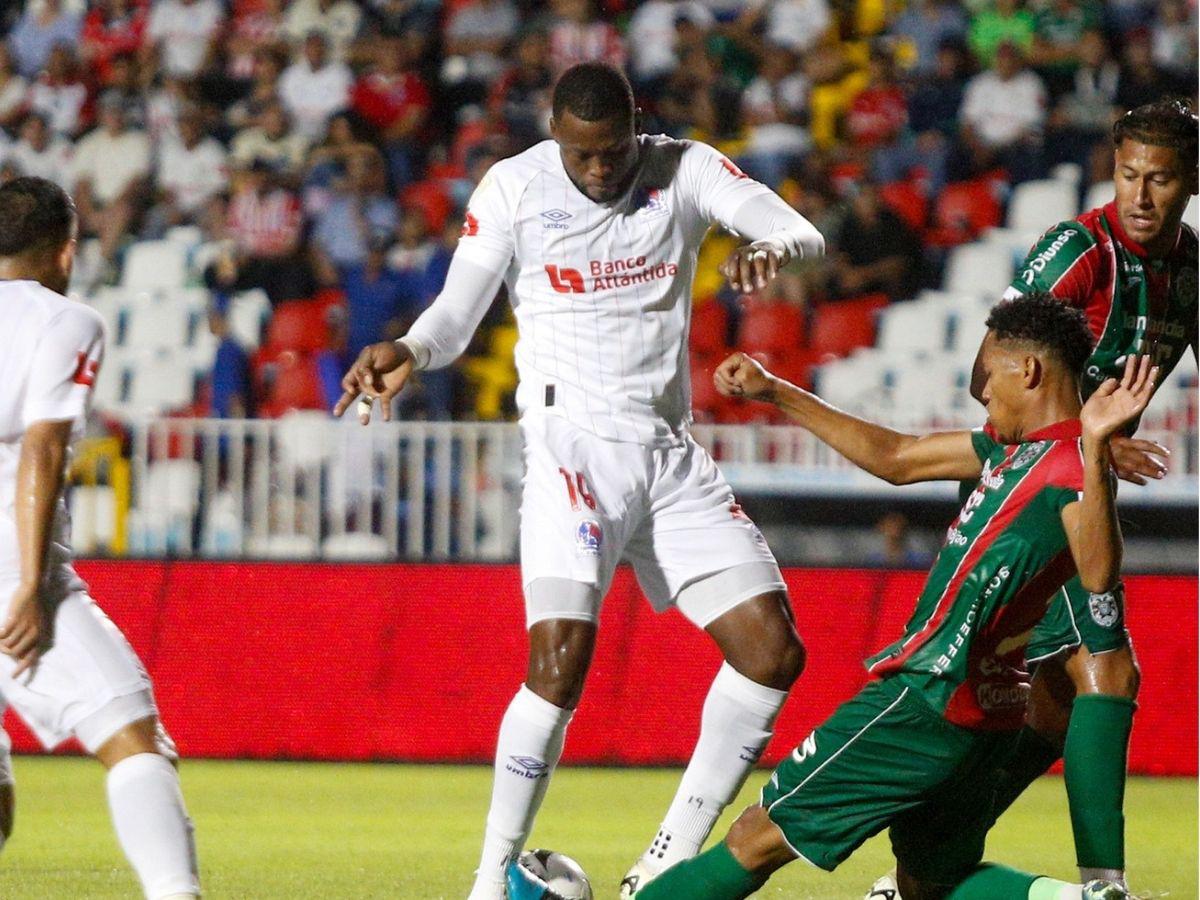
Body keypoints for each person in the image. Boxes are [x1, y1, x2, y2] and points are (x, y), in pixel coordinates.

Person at [332, 62, 825, 899]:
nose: (600, 171)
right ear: (555, 135)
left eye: (613, 152)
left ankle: (668, 858)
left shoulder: (686, 169)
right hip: (572, 454)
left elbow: (799, 231)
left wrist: (771, 245)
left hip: (668, 456)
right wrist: (410, 351)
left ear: (638, 127)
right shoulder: (514, 187)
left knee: (773, 652)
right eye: (582, 155)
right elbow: (457, 313)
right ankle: (490, 882)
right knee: (559, 664)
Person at [633, 293, 1154, 900]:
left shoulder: (1070, 465)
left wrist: (1095, 450)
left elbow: (1096, 575)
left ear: (1029, 372)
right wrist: (777, 389)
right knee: (932, 882)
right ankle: (1082, 899)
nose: (983, 392)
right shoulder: (1015, 449)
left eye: (991, 375)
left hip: (925, 696)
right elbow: (897, 458)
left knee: (757, 837)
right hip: (988, 712)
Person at [957, 97, 1197, 892]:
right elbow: (987, 379)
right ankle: (1102, 884)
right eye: (1128, 174)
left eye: (1161, 179)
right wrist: (1094, 436)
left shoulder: (1187, 271)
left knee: (1052, 714)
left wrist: (1101, 447)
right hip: (1036, 485)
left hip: (1083, 485)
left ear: (1189, 182)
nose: (1141, 195)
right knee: (1109, 670)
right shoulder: (1076, 250)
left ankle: (928, 856)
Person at [0, 177, 200, 899]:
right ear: (66, 250)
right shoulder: (66, 319)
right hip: (9, 575)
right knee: (136, 741)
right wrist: (28, 587)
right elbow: (43, 449)